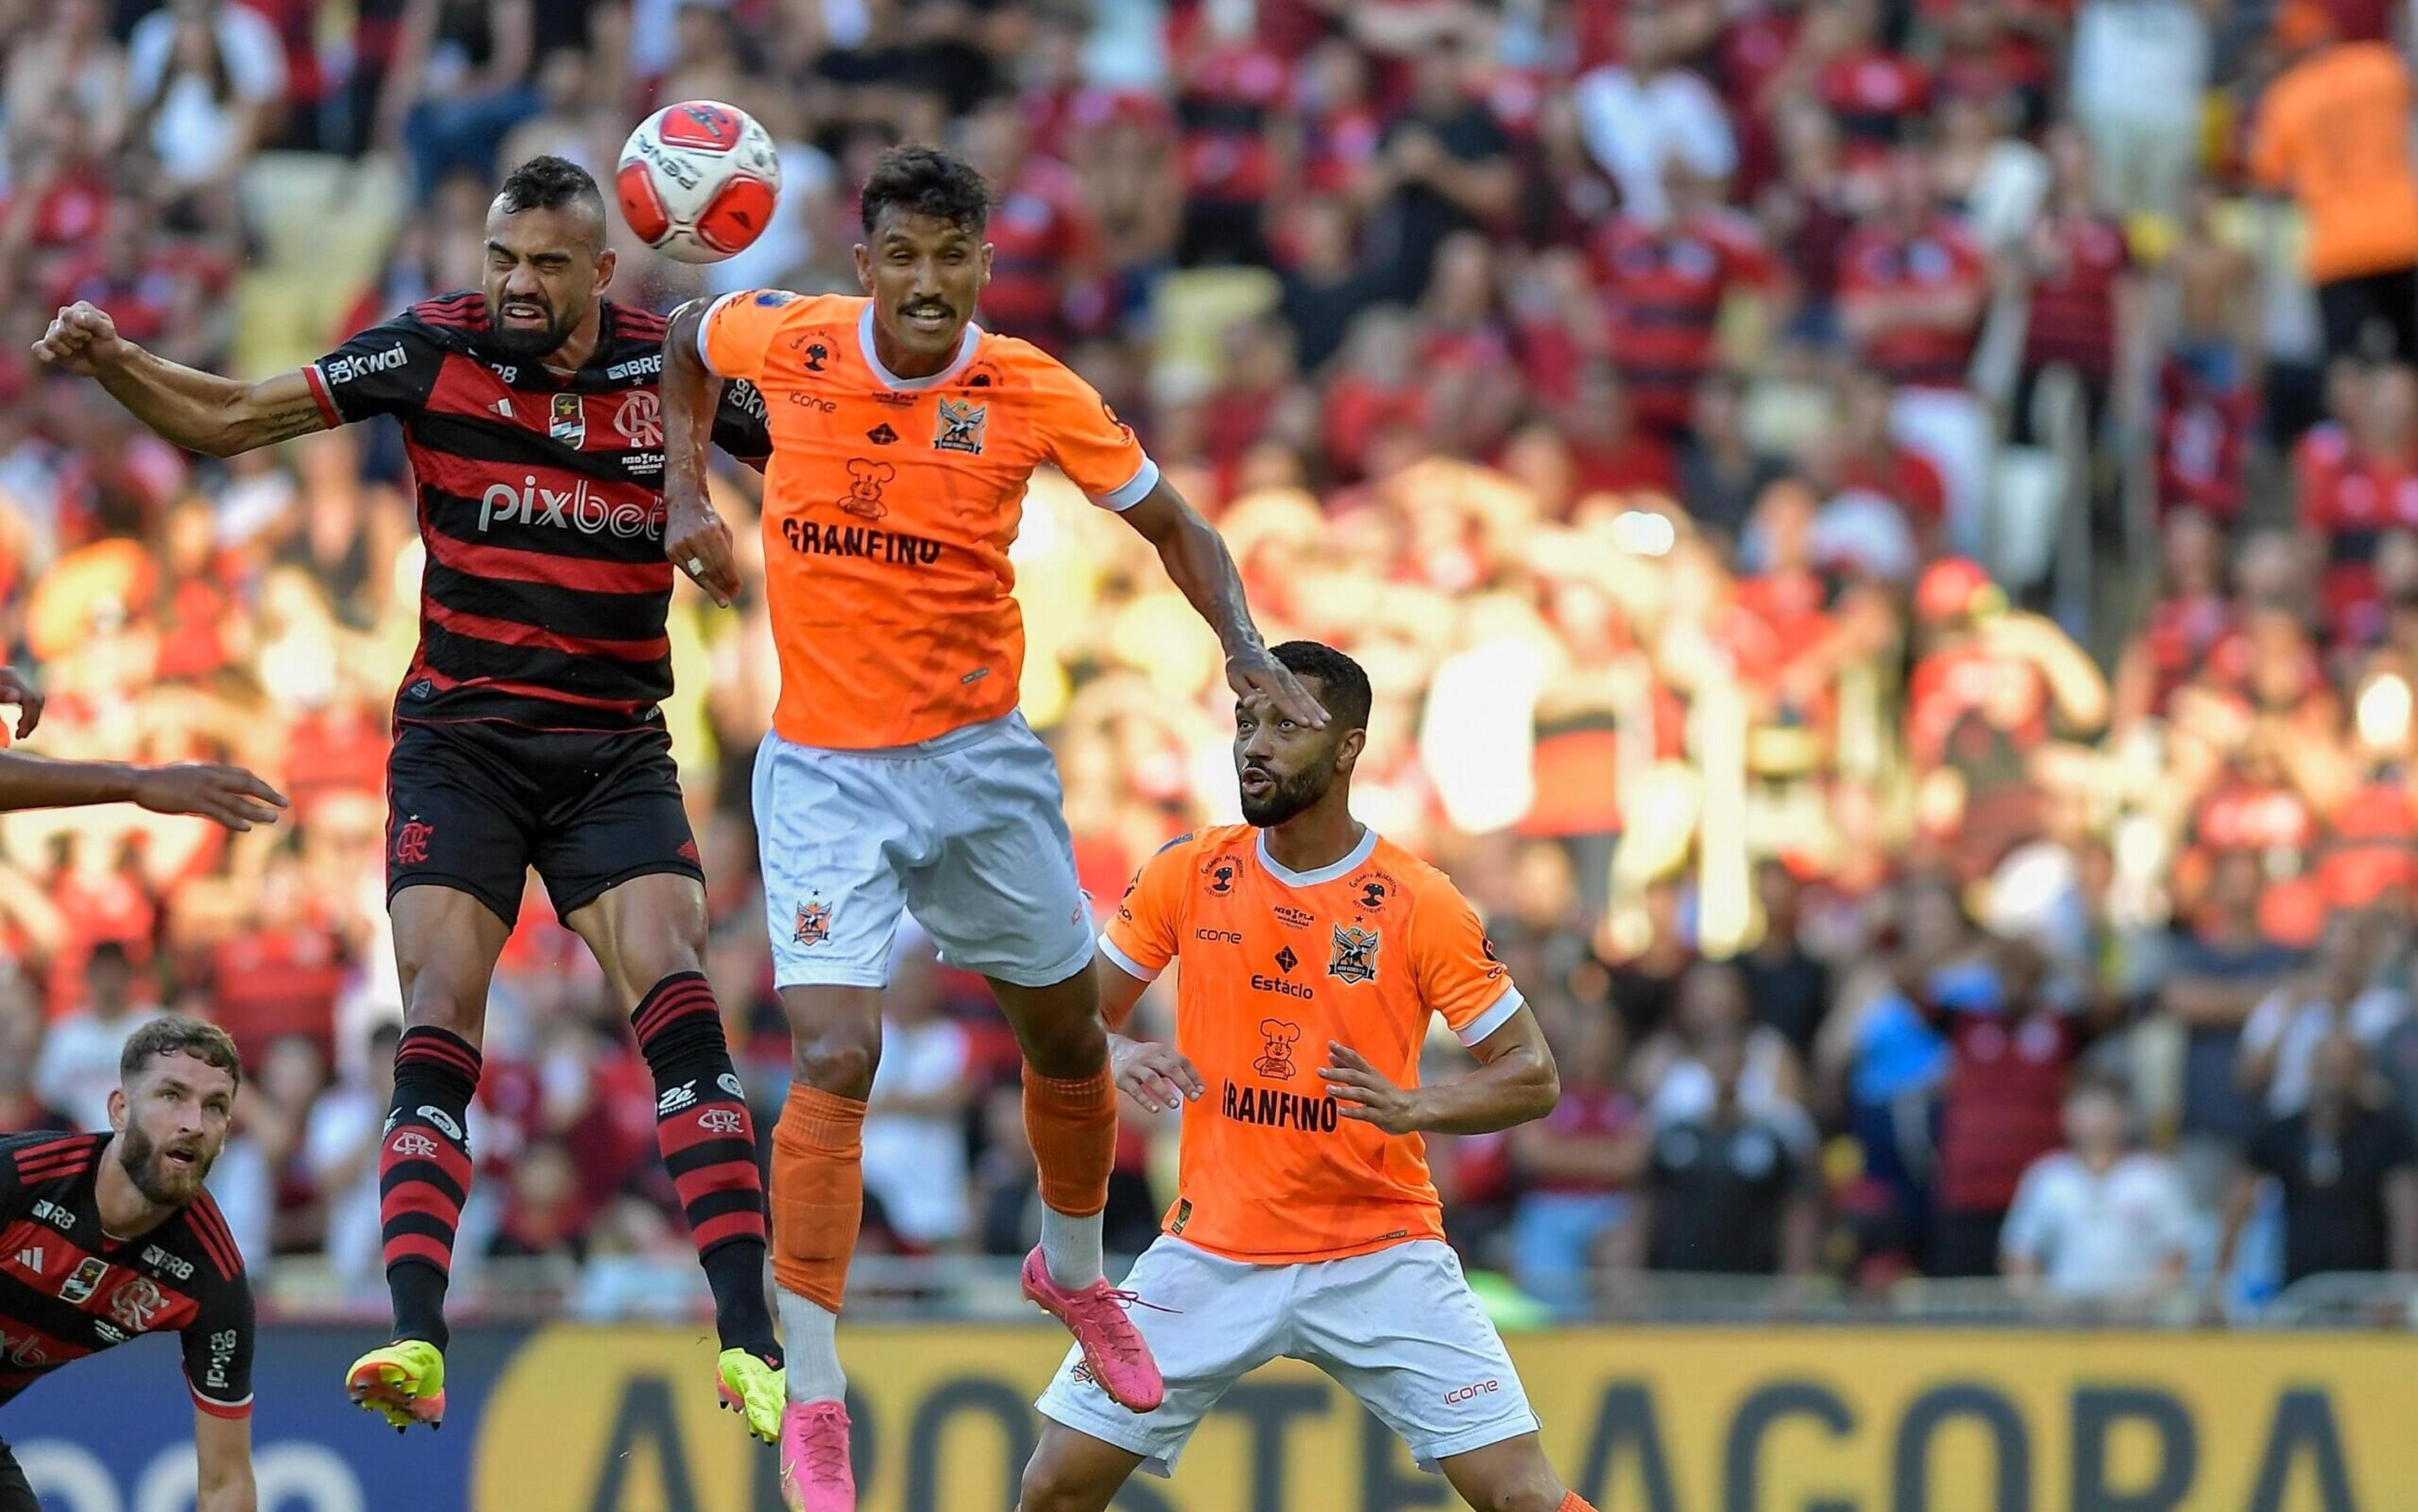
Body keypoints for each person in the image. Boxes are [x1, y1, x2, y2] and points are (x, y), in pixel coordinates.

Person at [32, 155, 788, 1442]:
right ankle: (419, 1343)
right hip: (463, 744)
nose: (517, 285)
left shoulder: (678, 368)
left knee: (680, 1003)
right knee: (438, 1014)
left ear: (602, 272)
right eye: (502, 260)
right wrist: (115, 361)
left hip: (615, 744)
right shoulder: (429, 351)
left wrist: (721, 524)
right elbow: (232, 420)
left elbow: (833, 463)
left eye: (548, 265)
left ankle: (752, 1344)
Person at [658, 144, 1325, 1508]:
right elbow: (679, 337)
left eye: (951, 258)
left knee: (1069, 1033)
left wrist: (1245, 645)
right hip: (829, 773)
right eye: (901, 256)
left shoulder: (1026, 388)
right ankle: (822, 1391)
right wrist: (685, 490)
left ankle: (1071, 1274)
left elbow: (1176, 526)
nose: (925, 282)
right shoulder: (787, 339)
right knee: (836, 1053)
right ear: (865, 265)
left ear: (982, 263)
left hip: (981, 763)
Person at [1014, 640, 1591, 1512]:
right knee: (1055, 1485)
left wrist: (1416, 1104)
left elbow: (1533, 1073)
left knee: (1520, 1496)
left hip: (1379, 1249)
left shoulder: (1415, 899)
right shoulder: (1190, 871)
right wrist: (1124, 1052)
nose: (1256, 743)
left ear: (1348, 746)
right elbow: (1073, 1023)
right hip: (1209, 1249)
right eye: (1247, 722)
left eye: (1285, 723)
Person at [0, 1017, 259, 1511]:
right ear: (120, 1109)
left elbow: (226, 1483)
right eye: (171, 1096)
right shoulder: (18, 1178)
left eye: (215, 1107)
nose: (194, 1123)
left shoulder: (212, 1278)